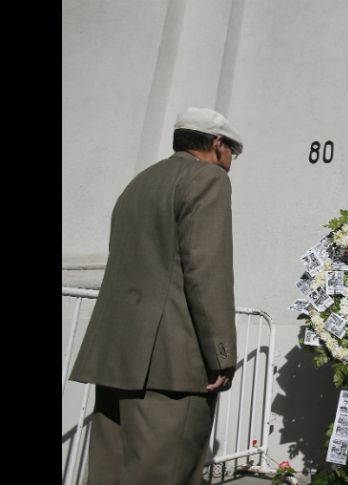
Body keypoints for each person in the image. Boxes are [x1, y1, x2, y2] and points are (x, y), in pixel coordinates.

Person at [69, 106, 244, 485]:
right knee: (166, 474)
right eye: (233, 151)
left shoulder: (140, 183)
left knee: (109, 475)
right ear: (217, 145)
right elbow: (205, 271)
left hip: (117, 357)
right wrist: (222, 355)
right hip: (172, 365)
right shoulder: (209, 179)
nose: (232, 160)